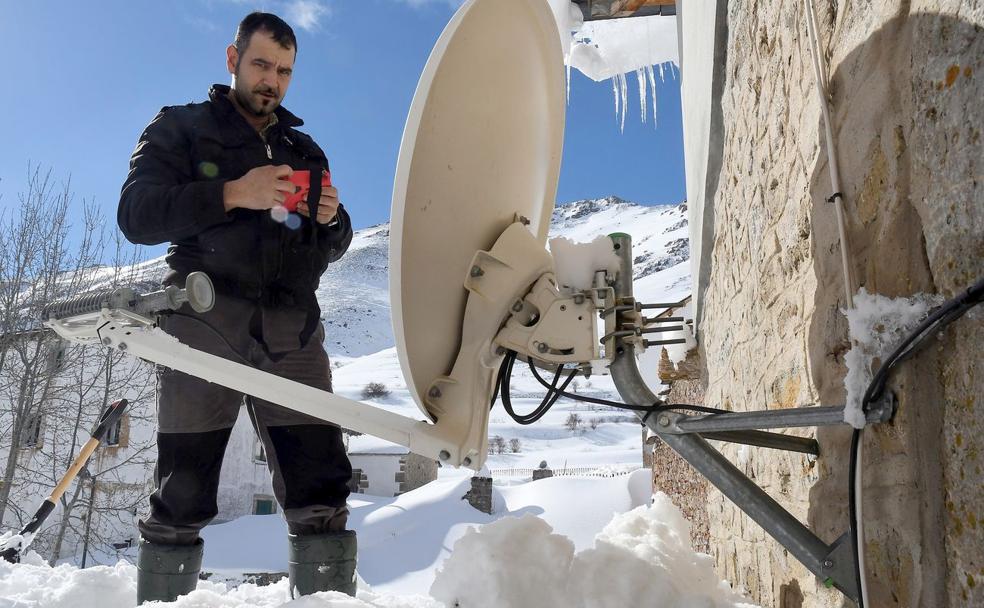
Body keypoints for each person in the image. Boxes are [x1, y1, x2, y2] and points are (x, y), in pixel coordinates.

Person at [118, 12, 356, 604]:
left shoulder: (304, 148)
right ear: (232, 58)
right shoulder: (180, 127)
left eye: (284, 70)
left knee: (320, 490)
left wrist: (332, 220)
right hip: (204, 324)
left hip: (293, 336)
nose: (272, 80)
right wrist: (232, 193)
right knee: (181, 492)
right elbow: (136, 215)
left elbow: (324, 248)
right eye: (261, 64)